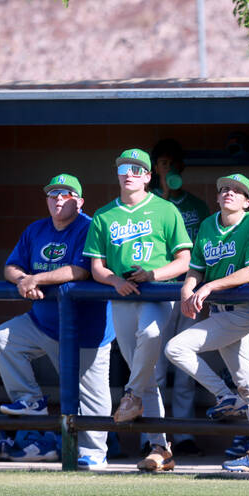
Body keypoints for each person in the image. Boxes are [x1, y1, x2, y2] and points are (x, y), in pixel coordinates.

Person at [0, 174, 115, 469]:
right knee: (4, 337)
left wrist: (37, 278)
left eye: (66, 195)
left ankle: (95, 454)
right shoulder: (36, 229)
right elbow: (11, 266)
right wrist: (23, 280)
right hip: (42, 324)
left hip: (85, 330)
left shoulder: (89, 227)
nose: (59, 200)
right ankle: (30, 399)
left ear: (80, 202)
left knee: (91, 396)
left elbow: (79, 271)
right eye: (53, 195)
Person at [85, 148, 193, 473]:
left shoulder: (165, 210)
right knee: (145, 374)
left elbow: (184, 260)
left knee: (149, 337)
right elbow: (95, 266)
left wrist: (153, 275)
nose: (129, 173)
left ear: (148, 176)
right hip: (122, 296)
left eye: (136, 169)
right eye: (123, 168)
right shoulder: (105, 215)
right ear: (118, 175)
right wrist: (115, 280)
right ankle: (160, 448)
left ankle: (130, 394)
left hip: (157, 294)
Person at [164, 174, 249, 472]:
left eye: (237, 191)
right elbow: (196, 269)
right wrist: (188, 289)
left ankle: (225, 396)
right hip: (218, 313)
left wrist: (209, 287)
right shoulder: (208, 225)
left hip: (240, 312)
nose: (229, 193)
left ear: (246, 201)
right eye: (224, 188)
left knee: (176, 348)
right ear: (217, 197)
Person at [149, 138, 211, 456]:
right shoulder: (147, 205)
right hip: (156, 292)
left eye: (173, 164)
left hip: (187, 290)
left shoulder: (196, 205)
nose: (169, 169)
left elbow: (203, 251)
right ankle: (156, 438)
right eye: (163, 163)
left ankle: (184, 434)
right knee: (155, 366)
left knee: (185, 363)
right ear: (154, 168)